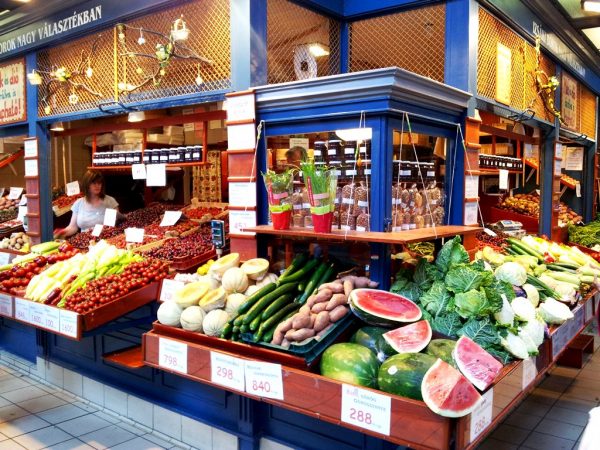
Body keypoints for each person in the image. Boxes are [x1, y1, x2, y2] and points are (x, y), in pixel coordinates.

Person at [54, 170, 121, 238]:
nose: (97, 185)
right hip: (84, 242)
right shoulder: (78, 203)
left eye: (99, 183)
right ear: (87, 184)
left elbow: (111, 227)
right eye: (94, 183)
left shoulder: (110, 202)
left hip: (105, 242)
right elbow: (72, 227)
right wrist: (63, 232)